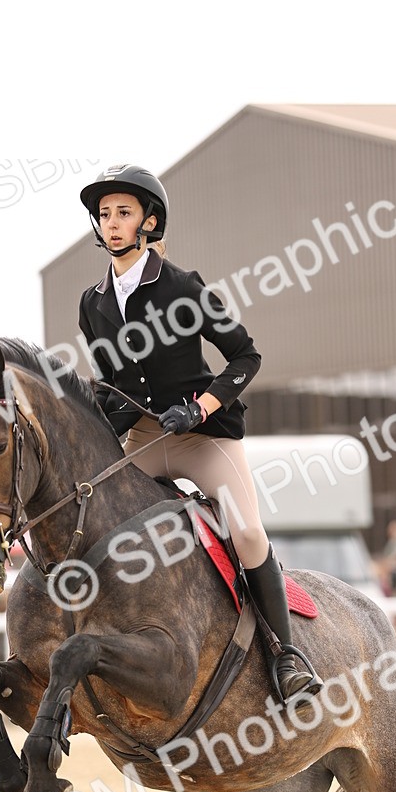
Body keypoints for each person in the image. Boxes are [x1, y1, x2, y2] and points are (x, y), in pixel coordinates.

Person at [77, 164, 321, 701]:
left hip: (202, 438)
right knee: (94, 525)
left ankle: (286, 656)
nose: (111, 223)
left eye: (123, 213)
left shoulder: (183, 287)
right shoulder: (92, 303)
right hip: (144, 439)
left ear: (149, 221)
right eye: (104, 214)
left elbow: (245, 355)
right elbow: (112, 383)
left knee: (249, 532)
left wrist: (200, 406)